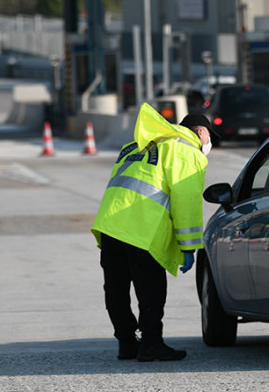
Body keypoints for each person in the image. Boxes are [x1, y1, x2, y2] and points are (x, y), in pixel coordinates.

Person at [91, 104, 216, 361]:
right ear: (201, 132)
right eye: (210, 137)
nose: (209, 142)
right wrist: (188, 247)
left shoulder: (135, 145)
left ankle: (126, 343)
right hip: (142, 228)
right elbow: (187, 202)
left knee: (116, 287)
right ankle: (150, 343)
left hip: (110, 224)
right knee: (151, 289)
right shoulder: (185, 151)